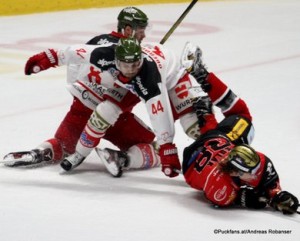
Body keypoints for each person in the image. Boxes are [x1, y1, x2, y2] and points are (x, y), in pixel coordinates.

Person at [2, 7, 157, 171]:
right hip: (116, 119)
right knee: (154, 147)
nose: (144, 35)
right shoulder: (134, 55)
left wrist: (83, 95)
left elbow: (75, 64)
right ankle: (124, 159)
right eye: (140, 31)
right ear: (127, 30)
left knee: (62, 144)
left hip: (81, 109)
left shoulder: (97, 40)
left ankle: (39, 152)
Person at [59, 38, 204, 177]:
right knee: (105, 111)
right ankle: (79, 154)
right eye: (124, 64)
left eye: (134, 64)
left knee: (191, 124)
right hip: (134, 81)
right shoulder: (110, 56)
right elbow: (75, 53)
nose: (129, 69)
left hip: (172, 79)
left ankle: (216, 149)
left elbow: (160, 115)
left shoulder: (150, 77)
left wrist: (167, 148)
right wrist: (48, 59)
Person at [180, 44, 299, 214]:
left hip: (211, 146)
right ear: (235, 171)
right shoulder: (221, 188)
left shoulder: (257, 163)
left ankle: (204, 108)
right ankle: (203, 108)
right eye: (250, 171)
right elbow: (231, 198)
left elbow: (264, 183)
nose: (256, 173)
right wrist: (254, 198)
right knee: (240, 114)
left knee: (238, 118)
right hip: (206, 151)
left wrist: (277, 194)